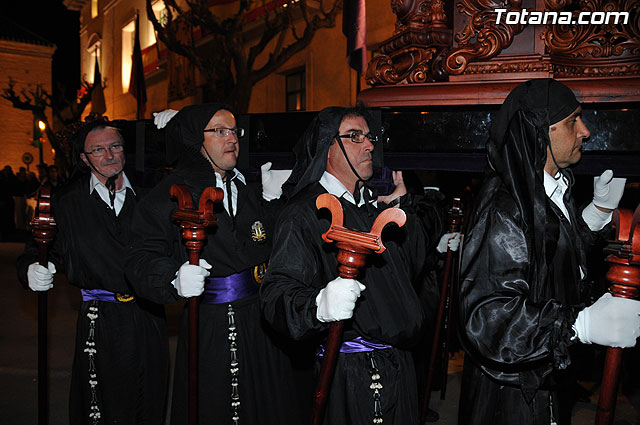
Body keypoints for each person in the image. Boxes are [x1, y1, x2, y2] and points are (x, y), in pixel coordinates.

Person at [457, 78, 640, 425]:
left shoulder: (549, 190)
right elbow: (489, 317)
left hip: (544, 374)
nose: (585, 131)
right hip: (511, 393)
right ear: (541, 131)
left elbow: (549, 260)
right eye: (573, 120)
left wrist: (597, 214)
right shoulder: (505, 205)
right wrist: (576, 324)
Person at [124, 103, 300, 425]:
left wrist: (275, 206)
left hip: (260, 322)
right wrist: (171, 279)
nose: (231, 138)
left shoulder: (245, 187)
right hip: (211, 324)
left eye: (234, 130)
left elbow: (264, 244)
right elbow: (140, 256)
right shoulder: (172, 192)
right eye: (220, 131)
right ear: (196, 139)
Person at [260, 105, 430, 424]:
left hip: (399, 366)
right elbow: (275, 296)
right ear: (327, 147)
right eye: (354, 136)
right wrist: (318, 305)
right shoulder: (304, 214)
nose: (369, 145)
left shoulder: (369, 206)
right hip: (353, 374)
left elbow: (407, 273)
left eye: (369, 137)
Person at [16, 116, 169, 425]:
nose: (109, 155)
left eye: (115, 146)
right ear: (85, 159)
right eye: (98, 150)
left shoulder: (150, 195)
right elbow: (37, 250)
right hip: (100, 318)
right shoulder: (67, 202)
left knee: (150, 397)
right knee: (103, 404)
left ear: (125, 150)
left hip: (148, 314)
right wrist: (31, 268)